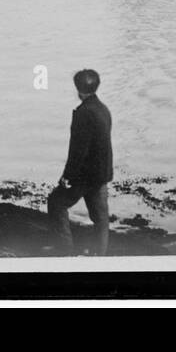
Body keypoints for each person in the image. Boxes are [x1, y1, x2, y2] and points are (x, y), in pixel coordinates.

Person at [47, 69, 113, 255]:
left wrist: (67, 176)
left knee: (56, 203)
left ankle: (64, 250)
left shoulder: (83, 113)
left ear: (78, 89)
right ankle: (100, 255)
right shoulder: (103, 109)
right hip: (101, 174)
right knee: (101, 217)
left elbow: (78, 151)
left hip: (85, 175)